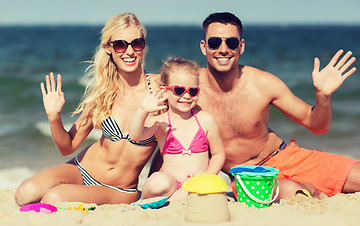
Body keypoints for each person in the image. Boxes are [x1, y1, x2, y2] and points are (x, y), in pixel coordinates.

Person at [193, 12, 359, 199]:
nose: (223, 49)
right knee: (295, 191)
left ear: (241, 47)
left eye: (231, 43)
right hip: (248, 177)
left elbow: (317, 126)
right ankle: (312, 190)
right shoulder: (188, 88)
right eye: (215, 42)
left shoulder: (263, 83)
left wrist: (323, 96)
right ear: (203, 46)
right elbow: (154, 86)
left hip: (287, 157)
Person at [15, 13, 160, 206]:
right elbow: (67, 146)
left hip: (119, 190)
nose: (129, 51)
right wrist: (54, 116)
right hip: (81, 170)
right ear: (108, 48)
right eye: (120, 45)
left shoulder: (159, 89)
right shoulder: (103, 92)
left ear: (143, 45)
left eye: (136, 43)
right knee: (24, 193)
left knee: (54, 197)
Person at [129, 57, 225, 200]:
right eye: (179, 90)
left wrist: (208, 174)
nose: (186, 96)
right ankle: (146, 200)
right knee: (158, 182)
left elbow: (218, 154)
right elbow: (135, 135)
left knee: (204, 187)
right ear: (165, 91)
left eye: (192, 91)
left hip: (195, 183)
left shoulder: (205, 120)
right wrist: (143, 110)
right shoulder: (160, 122)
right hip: (170, 184)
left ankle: (168, 200)